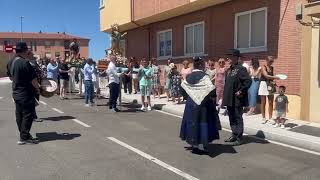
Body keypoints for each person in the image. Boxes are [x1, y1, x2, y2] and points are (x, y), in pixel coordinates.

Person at [180, 57, 220, 154]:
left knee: (192, 122)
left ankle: (193, 144)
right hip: (202, 103)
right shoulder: (204, 76)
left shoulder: (189, 76)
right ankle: (202, 144)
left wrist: (188, 97)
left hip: (191, 103)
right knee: (201, 122)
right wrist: (211, 98)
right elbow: (212, 90)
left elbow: (182, 88)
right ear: (201, 65)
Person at [6, 42, 40, 145]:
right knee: (28, 115)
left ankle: (23, 134)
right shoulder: (25, 63)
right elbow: (33, 80)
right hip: (25, 93)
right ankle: (24, 137)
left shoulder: (11, 61)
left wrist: (18, 80)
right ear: (25, 51)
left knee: (19, 114)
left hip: (16, 92)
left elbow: (10, 77)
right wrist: (38, 89)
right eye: (27, 50)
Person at [223, 49, 252, 146]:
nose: (228, 59)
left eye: (230, 56)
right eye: (228, 57)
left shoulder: (240, 69)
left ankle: (239, 137)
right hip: (229, 98)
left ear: (236, 57)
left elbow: (248, 81)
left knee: (238, 117)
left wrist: (241, 90)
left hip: (237, 99)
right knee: (231, 117)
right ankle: (234, 134)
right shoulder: (229, 70)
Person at [259, 56, 280, 124]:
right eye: (270, 61)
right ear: (267, 60)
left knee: (270, 102)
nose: (271, 62)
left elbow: (271, 78)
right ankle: (263, 118)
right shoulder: (263, 67)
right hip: (263, 84)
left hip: (270, 85)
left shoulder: (272, 68)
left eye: (272, 61)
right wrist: (275, 77)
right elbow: (266, 75)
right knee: (263, 102)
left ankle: (270, 118)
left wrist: (274, 82)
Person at [29, 55, 44, 123]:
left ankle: (32, 115)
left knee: (35, 100)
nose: (40, 59)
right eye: (39, 59)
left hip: (37, 84)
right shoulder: (32, 64)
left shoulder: (36, 64)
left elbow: (39, 74)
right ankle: (33, 116)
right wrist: (37, 85)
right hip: (34, 85)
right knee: (34, 101)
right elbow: (33, 76)